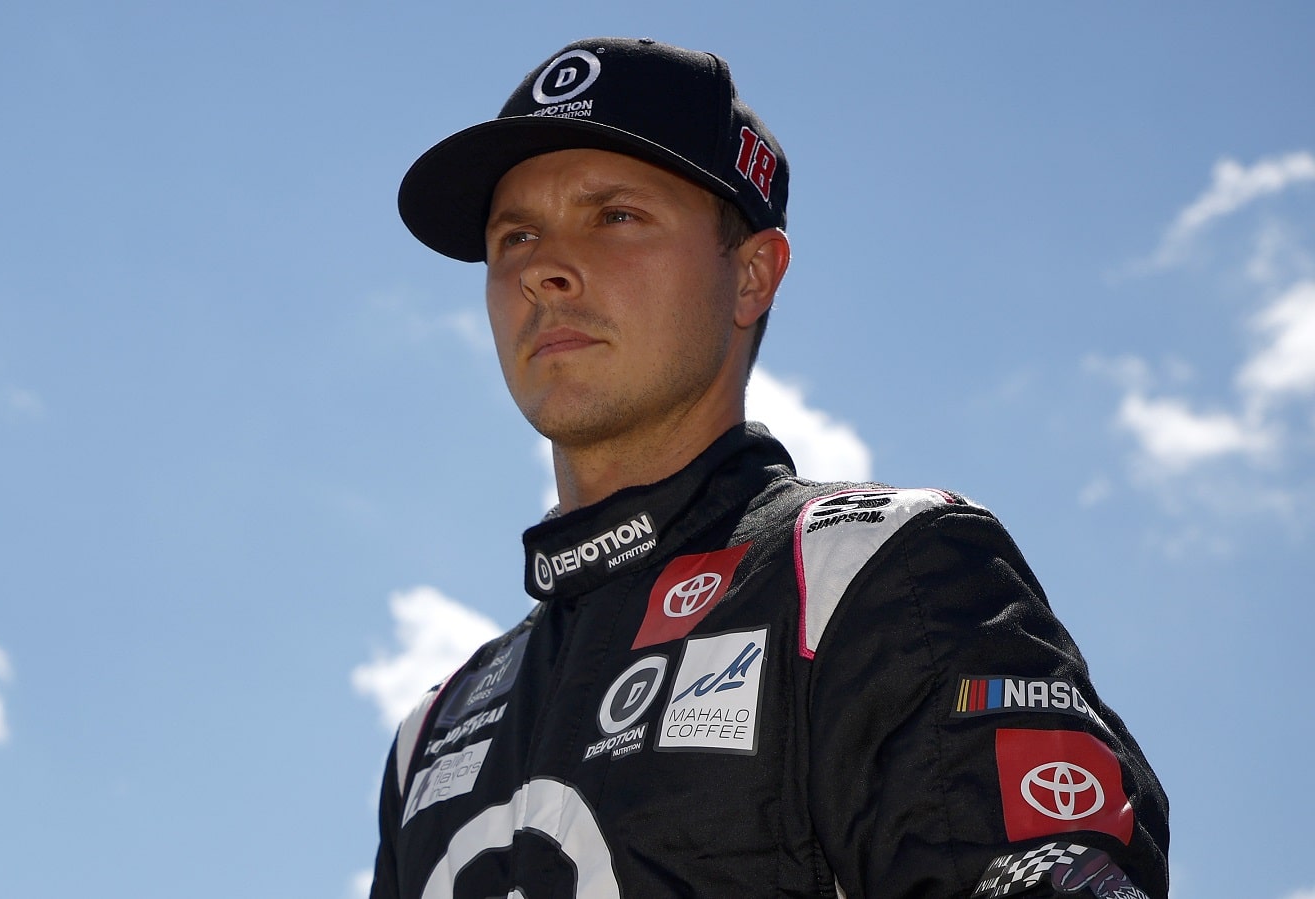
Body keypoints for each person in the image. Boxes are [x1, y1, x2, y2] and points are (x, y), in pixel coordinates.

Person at [369, 37, 1168, 899]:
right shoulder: (435, 731)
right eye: (515, 235)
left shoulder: (872, 574)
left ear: (753, 275)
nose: (544, 273)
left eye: (615, 216)